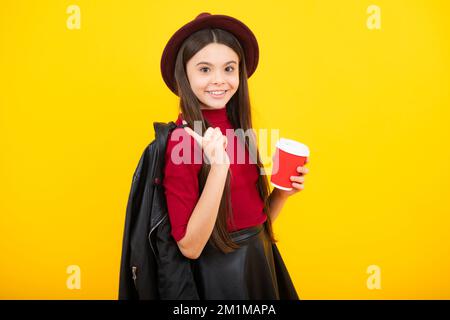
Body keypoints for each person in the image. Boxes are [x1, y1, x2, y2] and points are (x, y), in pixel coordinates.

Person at [160, 12, 309, 300]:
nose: (219, 80)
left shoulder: (239, 128)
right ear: (184, 74)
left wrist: (281, 194)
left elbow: (253, 225)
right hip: (220, 279)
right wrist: (218, 168)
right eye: (204, 69)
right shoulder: (184, 140)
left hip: (259, 261)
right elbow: (189, 247)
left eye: (229, 68)